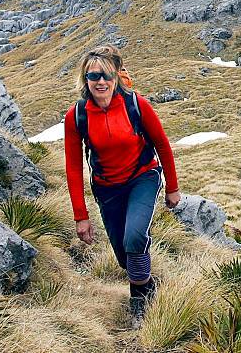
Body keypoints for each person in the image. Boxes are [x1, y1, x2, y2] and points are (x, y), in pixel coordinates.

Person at [64, 44, 181, 328]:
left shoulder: (136, 105)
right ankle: (146, 282)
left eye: (106, 76)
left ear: (115, 77)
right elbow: (72, 167)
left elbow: (163, 146)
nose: (100, 82)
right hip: (107, 188)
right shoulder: (76, 116)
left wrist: (172, 187)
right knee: (124, 256)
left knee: (134, 238)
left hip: (143, 177)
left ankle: (140, 304)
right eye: (93, 76)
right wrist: (81, 216)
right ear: (85, 80)